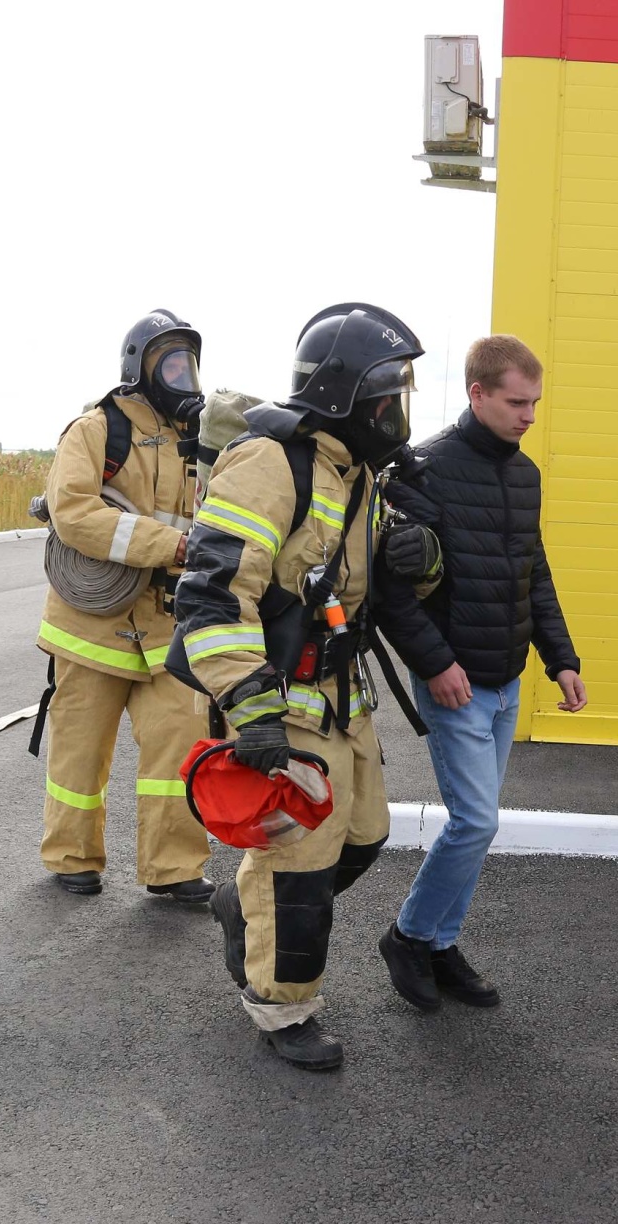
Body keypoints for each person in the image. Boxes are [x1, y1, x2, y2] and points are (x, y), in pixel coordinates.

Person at [169, 303, 422, 1071]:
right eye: (388, 394)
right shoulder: (271, 463)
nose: (397, 410)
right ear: (347, 395)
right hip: (282, 699)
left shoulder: (358, 472)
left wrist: (420, 555)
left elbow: (358, 579)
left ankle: (242, 903)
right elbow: (213, 593)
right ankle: (283, 1008)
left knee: (365, 837)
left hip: (343, 697)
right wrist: (248, 704)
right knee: (300, 867)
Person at [370, 335, 585, 1012]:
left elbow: (535, 572)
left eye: (535, 404)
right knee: (476, 821)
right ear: (478, 393)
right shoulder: (423, 471)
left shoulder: (526, 476)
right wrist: (436, 665)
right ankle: (407, 935)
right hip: (455, 680)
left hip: (508, 677)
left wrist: (562, 658)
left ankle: (440, 943)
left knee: (479, 823)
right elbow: (390, 594)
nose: (528, 416)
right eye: (517, 402)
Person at [36, 309, 214, 903]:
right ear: (140, 365)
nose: (182, 374)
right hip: (94, 624)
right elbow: (76, 514)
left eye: (188, 361)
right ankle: (72, 856)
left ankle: (175, 868)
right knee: (80, 750)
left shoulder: (203, 442)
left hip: (170, 627)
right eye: (170, 361)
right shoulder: (94, 430)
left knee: (180, 747)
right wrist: (170, 544)